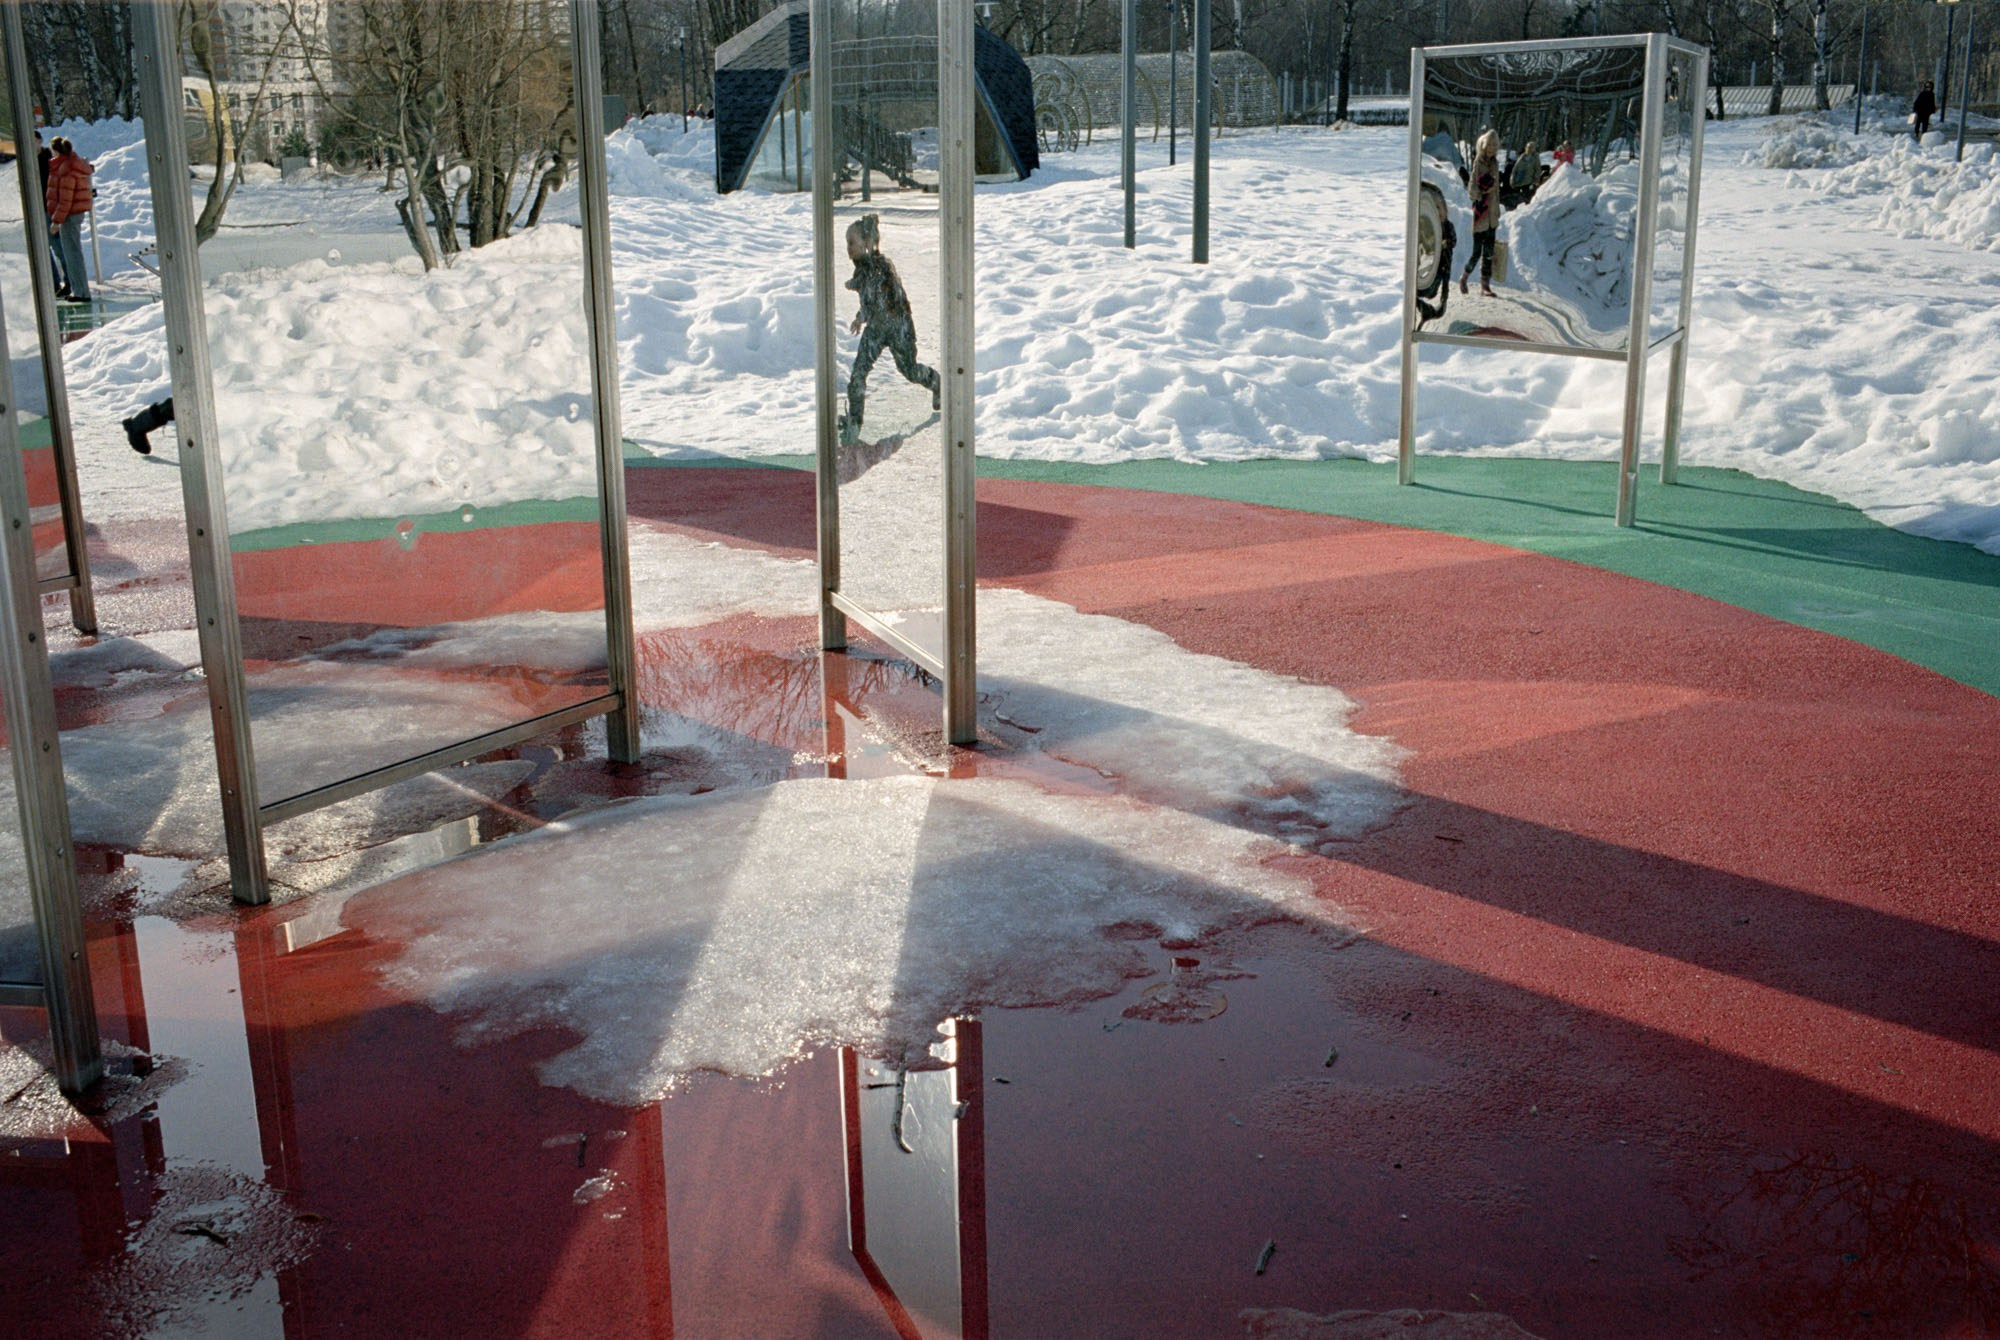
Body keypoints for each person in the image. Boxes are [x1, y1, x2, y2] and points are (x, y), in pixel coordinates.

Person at [839, 213, 939, 445]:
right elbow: (868, 301)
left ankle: (936, 382)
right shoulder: (862, 269)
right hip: (876, 328)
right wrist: (859, 317)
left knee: (909, 370)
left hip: (897, 326)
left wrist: (859, 296)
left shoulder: (880, 267)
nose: (848, 248)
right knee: (858, 373)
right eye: (847, 243)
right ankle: (854, 422)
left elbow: (880, 298)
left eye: (852, 243)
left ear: (866, 243)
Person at [45, 136, 93, 303]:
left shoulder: (65, 168)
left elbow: (65, 198)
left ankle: (80, 291)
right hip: (74, 213)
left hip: (69, 216)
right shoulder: (73, 164)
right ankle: (81, 290)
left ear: (56, 151)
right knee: (73, 252)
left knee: (72, 254)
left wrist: (56, 221)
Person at [1458, 130, 1502, 298]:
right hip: (1481, 214)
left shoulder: (1495, 163)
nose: (1491, 148)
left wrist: (1496, 208)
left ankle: (1485, 285)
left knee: (1489, 253)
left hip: (1492, 215)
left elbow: (1496, 190)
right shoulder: (1479, 162)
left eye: (1494, 145)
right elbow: (1472, 191)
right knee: (1477, 252)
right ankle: (1464, 277)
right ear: (1483, 145)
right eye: (1489, 144)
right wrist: (1484, 192)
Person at [34, 131, 68, 296]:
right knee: (42, 249)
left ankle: (69, 281)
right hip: (35, 209)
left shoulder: (50, 160)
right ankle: (53, 283)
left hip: (49, 209)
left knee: (58, 246)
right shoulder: (27, 160)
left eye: (34, 141)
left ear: (40, 141)